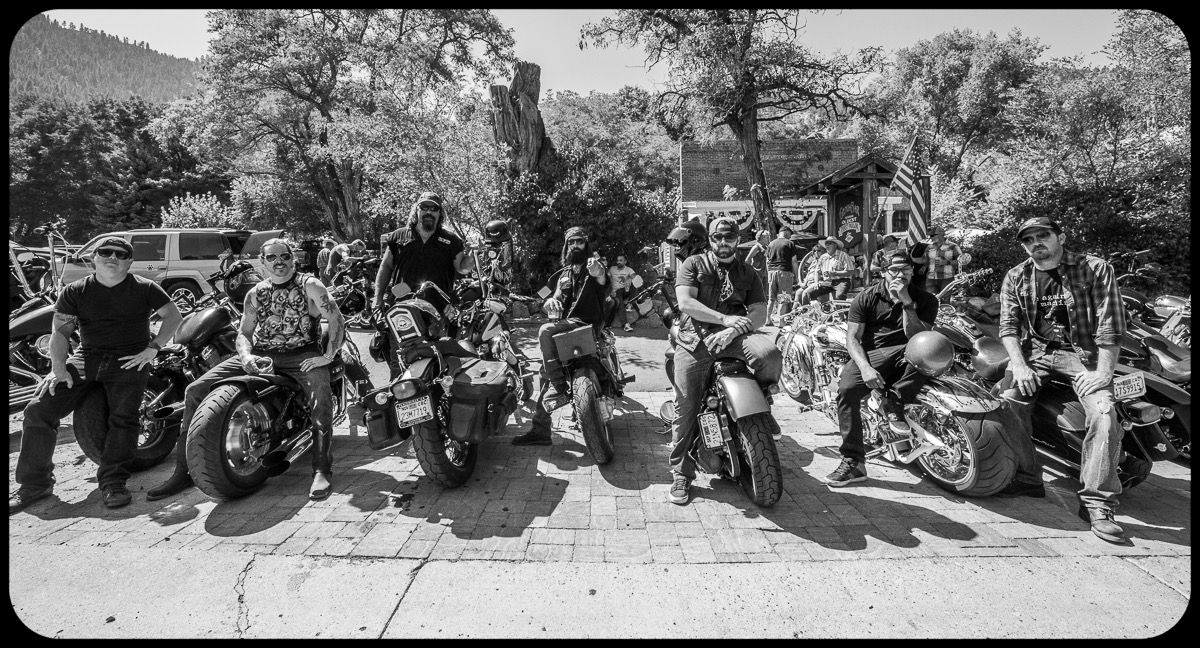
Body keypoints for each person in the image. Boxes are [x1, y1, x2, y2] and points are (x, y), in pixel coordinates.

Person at [146, 238, 348, 501]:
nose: (279, 262)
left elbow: (335, 318)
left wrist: (328, 356)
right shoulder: (256, 293)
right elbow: (244, 333)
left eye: (284, 256)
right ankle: (183, 471)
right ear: (262, 262)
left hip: (302, 354)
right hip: (262, 353)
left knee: (321, 398)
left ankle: (321, 469)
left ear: (293, 258)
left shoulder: (309, 284)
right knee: (195, 389)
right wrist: (245, 355)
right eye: (272, 257)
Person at [11, 237, 183, 513]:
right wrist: (57, 368)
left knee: (123, 418)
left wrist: (153, 348)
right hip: (86, 358)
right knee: (38, 410)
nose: (112, 257)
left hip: (129, 360)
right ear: (94, 258)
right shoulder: (76, 290)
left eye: (120, 254)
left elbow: (173, 316)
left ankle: (113, 482)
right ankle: (35, 485)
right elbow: (60, 332)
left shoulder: (145, 287)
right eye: (105, 252)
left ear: (129, 262)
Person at [996, 217, 1127, 544]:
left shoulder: (1094, 269)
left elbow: (1111, 324)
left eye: (1043, 236)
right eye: (1029, 240)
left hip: (1084, 355)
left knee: (1104, 414)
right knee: (1007, 401)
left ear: (1061, 237)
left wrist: (1103, 372)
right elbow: (1009, 328)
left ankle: (1097, 503)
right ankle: (1027, 476)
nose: (1036, 243)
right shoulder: (1017, 275)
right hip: (1037, 352)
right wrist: (1019, 365)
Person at [669, 217, 782, 505]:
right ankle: (681, 472)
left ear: (737, 239)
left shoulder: (748, 272)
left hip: (734, 337)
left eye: (729, 237)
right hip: (695, 341)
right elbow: (686, 303)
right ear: (710, 239)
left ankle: (761, 406)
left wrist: (732, 329)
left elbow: (760, 312)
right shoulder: (693, 264)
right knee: (686, 407)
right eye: (717, 238)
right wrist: (724, 319)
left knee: (769, 354)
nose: (723, 242)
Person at [823, 253, 939, 487]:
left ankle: (893, 401)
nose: (900, 274)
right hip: (874, 354)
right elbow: (852, 338)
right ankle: (854, 461)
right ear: (884, 272)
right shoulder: (866, 297)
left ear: (912, 272)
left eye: (906, 269)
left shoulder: (926, 299)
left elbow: (918, 338)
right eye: (894, 269)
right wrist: (865, 368)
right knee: (846, 391)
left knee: (931, 351)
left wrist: (906, 303)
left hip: (908, 353)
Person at [511, 226, 609, 446]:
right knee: (545, 370)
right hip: (565, 327)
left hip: (585, 324)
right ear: (566, 246)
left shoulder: (593, 267)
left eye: (579, 241)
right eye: (571, 242)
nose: (575, 245)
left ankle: (559, 387)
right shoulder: (564, 274)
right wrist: (550, 301)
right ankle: (540, 430)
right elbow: (553, 296)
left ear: (586, 244)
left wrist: (599, 271)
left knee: (545, 331)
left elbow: (602, 277)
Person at [373, 192, 470, 376]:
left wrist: (472, 258)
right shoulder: (398, 236)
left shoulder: (452, 241)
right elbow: (385, 267)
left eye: (434, 208)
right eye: (424, 207)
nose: (429, 212)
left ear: (440, 214)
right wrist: (377, 298)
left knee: (439, 365)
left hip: (438, 313)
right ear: (416, 210)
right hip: (402, 312)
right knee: (399, 364)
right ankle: (399, 391)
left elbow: (462, 267)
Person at [800, 237, 855, 305]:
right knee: (808, 293)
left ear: (835, 245)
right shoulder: (823, 257)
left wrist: (835, 273)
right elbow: (817, 271)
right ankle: (808, 311)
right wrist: (816, 282)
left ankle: (842, 311)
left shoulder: (843, 255)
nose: (827, 245)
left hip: (841, 281)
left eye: (829, 243)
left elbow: (850, 271)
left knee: (839, 299)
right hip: (827, 282)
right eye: (826, 244)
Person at [917, 225, 963, 296]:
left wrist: (947, 262)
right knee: (931, 299)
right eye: (930, 236)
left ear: (941, 235)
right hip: (931, 278)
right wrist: (923, 267)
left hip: (947, 278)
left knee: (945, 299)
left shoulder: (953, 246)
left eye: (932, 235)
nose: (930, 238)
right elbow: (926, 260)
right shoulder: (929, 247)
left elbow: (962, 261)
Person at [764, 226, 798, 321]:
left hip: (771, 272)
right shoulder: (789, 243)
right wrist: (797, 276)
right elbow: (794, 261)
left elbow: (767, 261)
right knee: (784, 298)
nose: (790, 237)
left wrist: (769, 273)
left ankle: (767, 320)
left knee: (771, 299)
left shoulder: (771, 244)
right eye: (790, 235)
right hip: (785, 272)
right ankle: (781, 321)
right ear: (786, 232)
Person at [606, 254, 639, 332]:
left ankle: (631, 302)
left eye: (621, 260)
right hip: (615, 292)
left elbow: (635, 277)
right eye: (618, 260)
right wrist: (609, 292)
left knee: (635, 283)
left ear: (625, 262)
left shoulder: (628, 270)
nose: (618, 262)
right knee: (618, 294)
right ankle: (625, 324)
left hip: (625, 291)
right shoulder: (612, 269)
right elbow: (607, 279)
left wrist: (631, 279)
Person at [743, 229, 771, 293]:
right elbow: (747, 260)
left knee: (764, 292)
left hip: (765, 273)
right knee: (757, 291)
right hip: (757, 273)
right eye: (767, 237)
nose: (768, 239)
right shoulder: (756, 247)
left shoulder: (766, 247)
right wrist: (751, 270)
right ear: (762, 238)